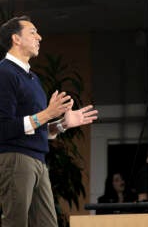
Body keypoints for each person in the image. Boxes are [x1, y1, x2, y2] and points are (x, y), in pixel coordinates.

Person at [0, 16, 98, 227]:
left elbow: (36, 128)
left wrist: (63, 124)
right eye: (33, 32)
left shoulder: (33, 79)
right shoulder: (4, 72)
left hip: (38, 160)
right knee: (15, 222)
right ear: (16, 39)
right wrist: (47, 113)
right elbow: (4, 128)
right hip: (16, 159)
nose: (40, 37)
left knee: (48, 224)